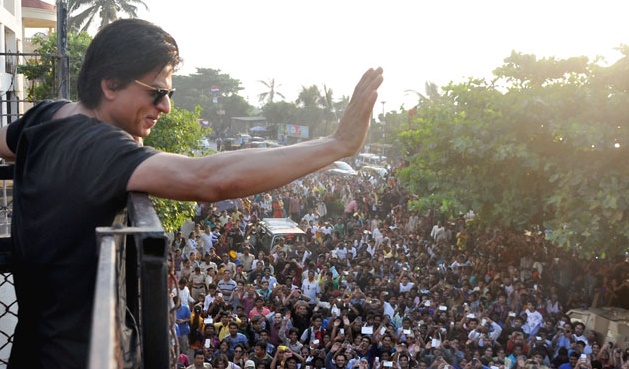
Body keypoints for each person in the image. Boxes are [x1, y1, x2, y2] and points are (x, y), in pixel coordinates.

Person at [1, 18, 383, 369]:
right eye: (156, 92)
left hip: (33, 345)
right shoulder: (98, 147)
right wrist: (337, 144)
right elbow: (207, 177)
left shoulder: (49, 116)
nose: (165, 106)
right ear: (110, 83)